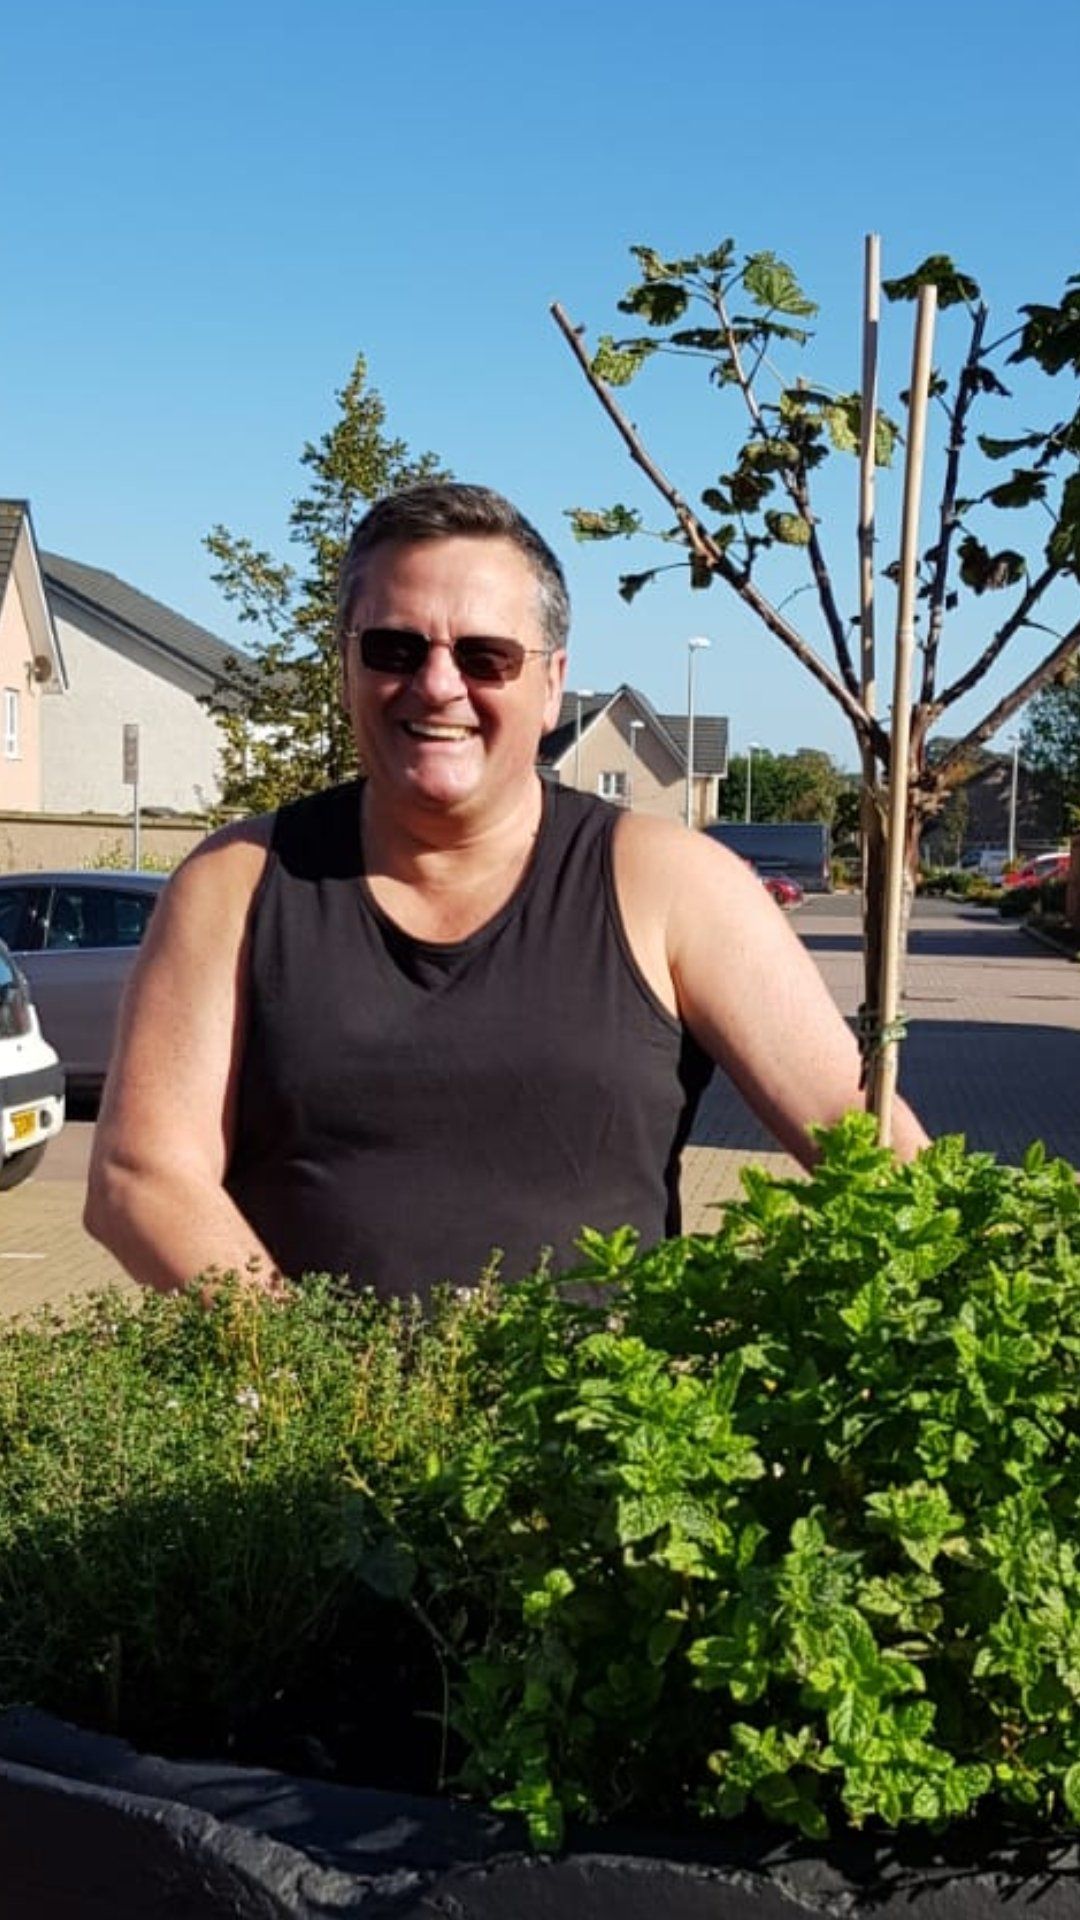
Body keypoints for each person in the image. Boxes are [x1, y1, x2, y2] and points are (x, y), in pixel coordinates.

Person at [85, 483, 927, 1299]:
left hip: (594, 1402)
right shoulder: (237, 883)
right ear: (346, 666)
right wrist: (308, 1371)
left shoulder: (671, 884)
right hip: (299, 1396)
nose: (437, 685)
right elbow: (141, 1174)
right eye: (394, 649)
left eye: (484, 656)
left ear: (552, 684)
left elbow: (864, 1144)